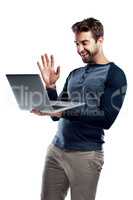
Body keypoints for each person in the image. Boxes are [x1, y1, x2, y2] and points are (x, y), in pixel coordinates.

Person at [31, 18, 127, 200]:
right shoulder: (74, 74)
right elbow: (55, 115)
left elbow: (106, 119)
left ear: (100, 40)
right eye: (76, 43)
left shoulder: (115, 74)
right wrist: (51, 87)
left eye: (84, 43)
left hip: (86, 154)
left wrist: (64, 112)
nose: (79, 49)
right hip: (56, 150)